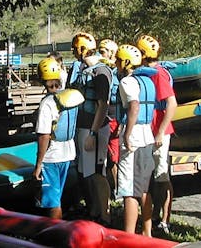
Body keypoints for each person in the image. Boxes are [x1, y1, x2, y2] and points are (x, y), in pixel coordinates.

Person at [134, 35, 177, 236]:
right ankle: (150, 216)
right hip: (149, 131)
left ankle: (164, 220)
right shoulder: (151, 72)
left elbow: (171, 104)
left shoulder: (158, 74)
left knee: (161, 177)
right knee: (150, 176)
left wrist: (160, 131)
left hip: (158, 133)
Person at [67, 32, 112, 225]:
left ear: (83, 48)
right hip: (83, 127)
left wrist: (93, 133)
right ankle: (93, 211)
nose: (74, 52)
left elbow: (103, 105)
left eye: (75, 48)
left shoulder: (100, 73)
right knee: (87, 173)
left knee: (97, 173)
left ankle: (105, 215)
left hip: (95, 129)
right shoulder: (84, 70)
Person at [114, 44, 156, 234]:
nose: (116, 64)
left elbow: (134, 106)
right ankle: (147, 232)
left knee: (128, 190)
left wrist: (127, 134)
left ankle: (128, 236)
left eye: (118, 60)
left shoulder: (127, 82)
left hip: (134, 140)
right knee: (144, 188)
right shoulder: (147, 81)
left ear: (126, 62)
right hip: (147, 137)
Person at [33, 58, 82, 219]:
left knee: (53, 201)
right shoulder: (70, 98)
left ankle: (55, 234)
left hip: (52, 157)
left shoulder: (47, 103)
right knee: (57, 195)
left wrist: (39, 163)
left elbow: (44, 135)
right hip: (68, 153)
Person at [98, 39, 120, 198]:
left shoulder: (116, 74)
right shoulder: (103, 69)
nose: (100, 54)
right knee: (106, 157)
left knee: (114, 158)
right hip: (106, 118)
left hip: (113, 118)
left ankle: (118, 190)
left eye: (103, 51)